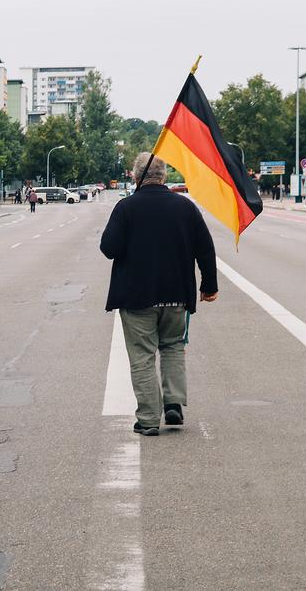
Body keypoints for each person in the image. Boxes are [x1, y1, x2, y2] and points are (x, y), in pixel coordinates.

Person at [100, 152, 217, 437]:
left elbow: (109, 248)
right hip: (177, 295)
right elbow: (205, 247)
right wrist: (209, 286)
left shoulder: (126, 208)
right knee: (173, 347)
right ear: (163, 176)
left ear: (135, 176)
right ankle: (174, 403)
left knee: (142, 356)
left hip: (137, 296)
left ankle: (150, 419)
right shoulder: (185, 208)